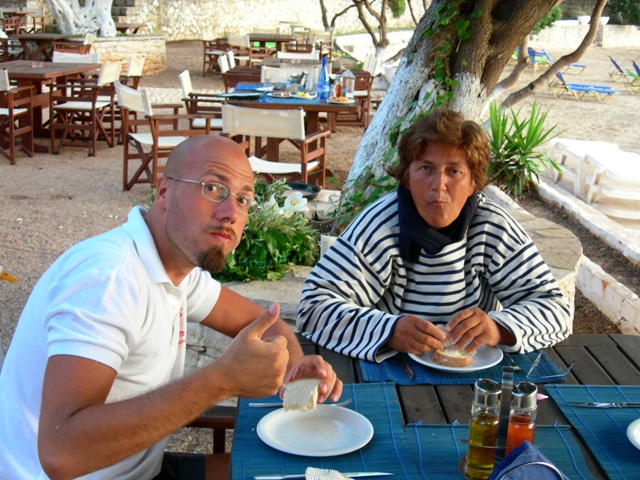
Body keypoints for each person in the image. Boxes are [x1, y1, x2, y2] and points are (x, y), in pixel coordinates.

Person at [0, 136, 342, 480]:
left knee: (306, 473)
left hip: (141, 472)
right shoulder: (108, 280)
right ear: (164, 191)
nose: (231, 213)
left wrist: (295, 371)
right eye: (212, 188)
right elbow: (61, 454)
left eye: (243, 199)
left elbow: (266, 323)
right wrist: (222, 380)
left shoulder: (177, 268)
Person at [297, 108, 571, 362]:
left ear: (473, 182)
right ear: (406, 177)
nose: (438, 186)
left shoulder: (491, 228)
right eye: (426, 168)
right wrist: (389, 330)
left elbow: (556, 311)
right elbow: (313, 307)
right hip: (392, 370)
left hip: (476, 374)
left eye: (454, 171)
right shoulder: (380, 225)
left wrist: (497, 327)